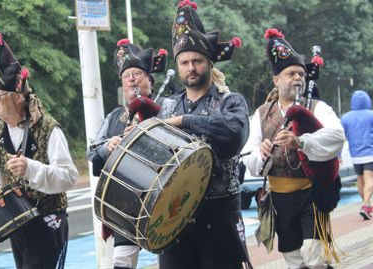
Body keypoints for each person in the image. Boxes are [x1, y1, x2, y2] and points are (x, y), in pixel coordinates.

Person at [0, 29, 79, 269]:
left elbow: (69, 176)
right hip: (17, 220)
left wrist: (31, 168)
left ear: (17, 97)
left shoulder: (48, 128)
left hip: (48, 217)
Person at [155, 1, 251, 268]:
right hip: (174, 217)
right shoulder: (166, 105)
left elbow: (233, 135)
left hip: (219, 215)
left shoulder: (231, 101)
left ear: (209, 63)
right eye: (184, 62)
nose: (191, 67)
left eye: (197, 60)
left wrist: (184, 121)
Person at [242, 28, 345, 269]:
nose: (298, 78)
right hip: (280, 198)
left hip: (311, 194)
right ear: (276, 79)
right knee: (293, 259)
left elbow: (336, 137)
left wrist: (302, 142)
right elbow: (249, 156)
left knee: (315, 257)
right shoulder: (261, 114)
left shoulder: (318, 107)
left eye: (301, 73)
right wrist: (262, 153)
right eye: (291, 74)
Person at [86, 38, 167, 269]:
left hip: (162, 195)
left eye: (137, 74)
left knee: (171, 258)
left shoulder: (168, 107)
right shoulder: (113, 117)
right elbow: (92, 153)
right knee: (121, 262)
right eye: (126, 75)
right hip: (125, 200)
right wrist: (107, 147)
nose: (131, 79)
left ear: (150, 80)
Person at [341, 90, 373, 220]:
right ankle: (366, 205)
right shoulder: (371, 115)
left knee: (360, 179)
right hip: (370, 153)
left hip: (355, 154)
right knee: (370, 178)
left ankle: (367, 206)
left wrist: (338, 155)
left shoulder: (345, 118)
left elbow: (340, 137)